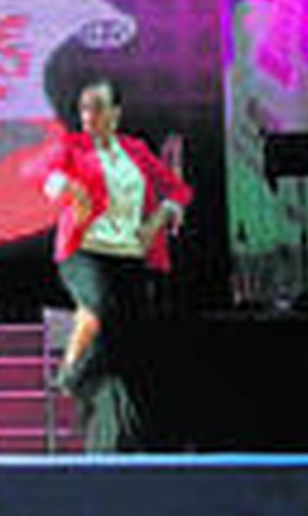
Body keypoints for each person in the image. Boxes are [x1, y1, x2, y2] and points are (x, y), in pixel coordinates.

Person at [28, 78, 192, 452]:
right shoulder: (72, 146)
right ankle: (73, 375)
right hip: (83, 251)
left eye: (98, 107)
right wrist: (70, 187)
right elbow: (40, 171)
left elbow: (178, 190)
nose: (89, 115)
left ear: (116, 113)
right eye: (84, 108)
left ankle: (116, 439)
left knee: (128, 352)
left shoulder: (135, 150)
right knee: (101, 308)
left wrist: (163, 214)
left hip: (130, 256)